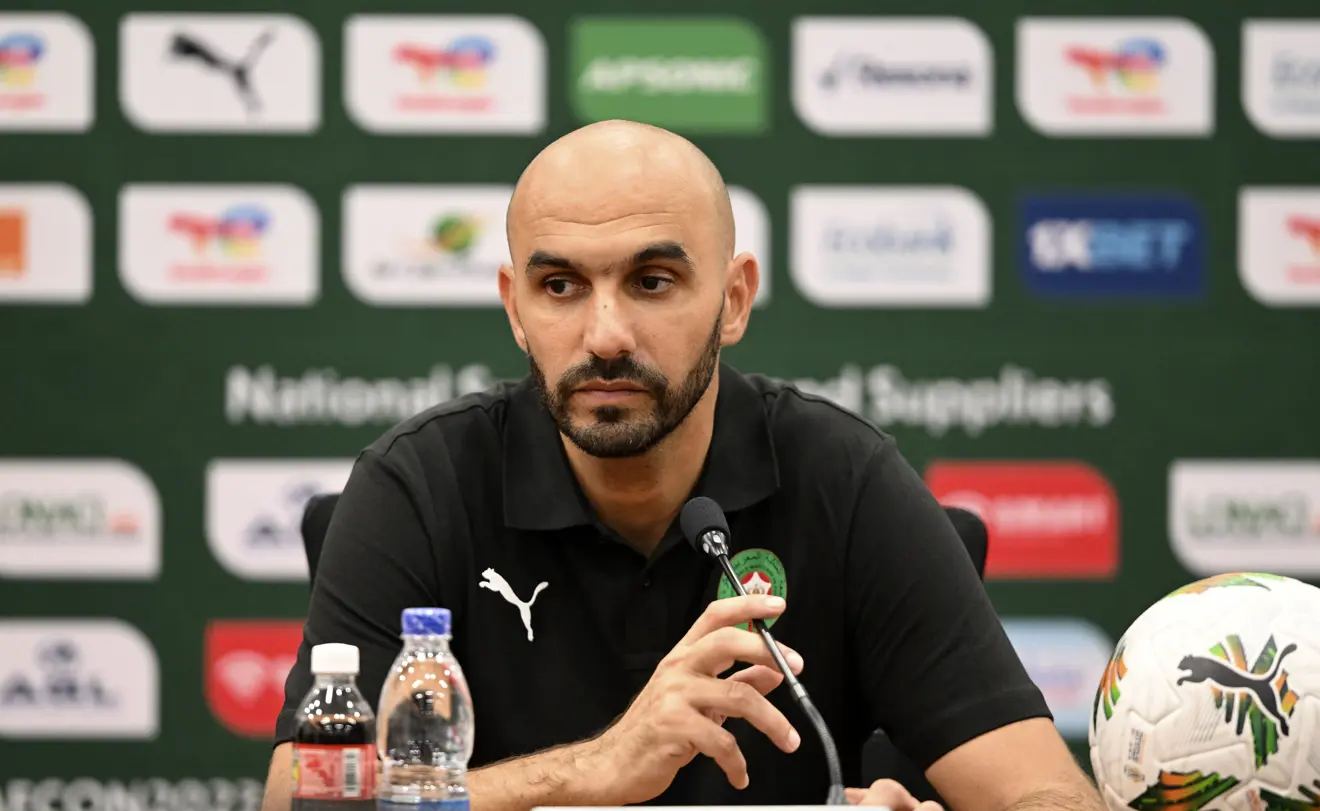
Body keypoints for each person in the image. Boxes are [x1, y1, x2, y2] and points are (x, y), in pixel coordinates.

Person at [261, 120, 1105, 811]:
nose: (605, 336)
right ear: (514, 309)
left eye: (653, 281)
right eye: (560, 287)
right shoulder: (421, 484)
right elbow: (301, 802)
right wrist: (592, 770)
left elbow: (1039, 789)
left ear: (733, 299)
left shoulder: (843, 480)